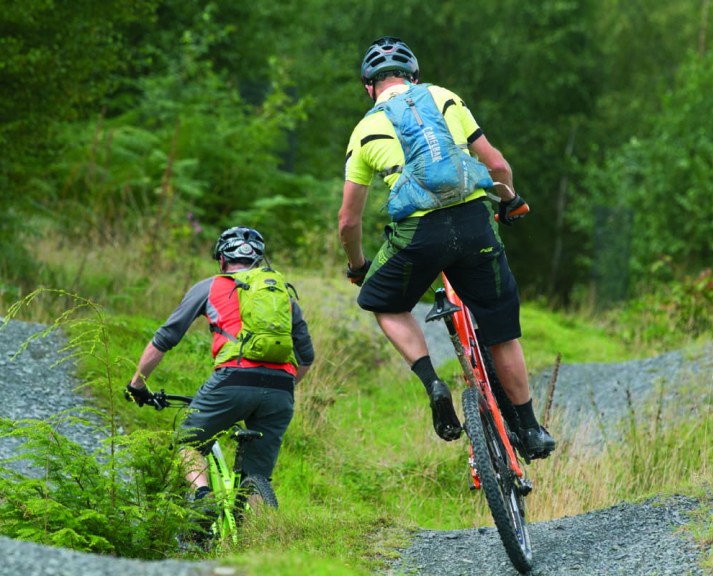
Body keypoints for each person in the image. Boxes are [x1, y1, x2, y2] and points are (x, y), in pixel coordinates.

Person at [338, 36, 555, 459]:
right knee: (502, 331)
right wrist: (510, 201)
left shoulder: (365, 129)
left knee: (382, 302)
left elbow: (348, 221)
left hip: (419, 236)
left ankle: (432, 382)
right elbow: (496, 165)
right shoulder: (444, 98)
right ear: (414, 77)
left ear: (369, 87)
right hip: (475, 224)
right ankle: (530, 429)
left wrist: (358, 265)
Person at [125, 226, 314, 505]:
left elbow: (165, 339)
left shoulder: (211, 286)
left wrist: (137, 384)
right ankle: (259, 540)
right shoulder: (281, 295)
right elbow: (307, 357)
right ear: (258, 261)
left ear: (222, 259)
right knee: (258, 475)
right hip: (281, 389)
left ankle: (204, 498)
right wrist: (279, 386)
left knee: (188, 444)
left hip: (232, 381)